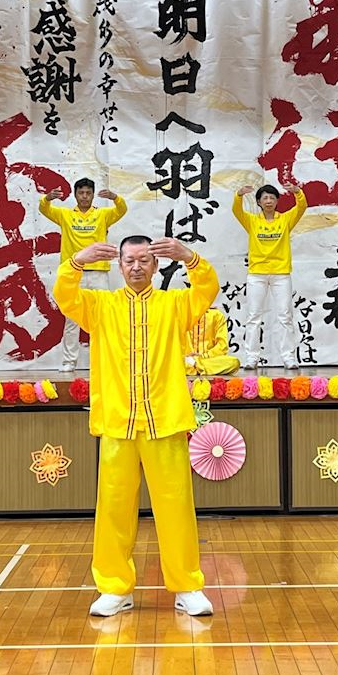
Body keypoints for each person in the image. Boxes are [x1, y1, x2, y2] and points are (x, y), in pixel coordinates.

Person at [54, 235, 218, 618]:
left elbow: (207, 288)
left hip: (165, 421)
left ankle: (187, 586)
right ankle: (114, 588)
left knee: (176, 507)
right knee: (113, 509)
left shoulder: (174, 304)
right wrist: (77, 261)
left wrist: (189, 257)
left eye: (144, 260)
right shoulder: (100, 305)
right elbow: (64, 294)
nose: (136, 267)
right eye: (129, 260)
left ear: (156, 265)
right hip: (118, 423)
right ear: (119, 266)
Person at [38, 178, 127, 373]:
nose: (85, 196)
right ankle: (69, 361)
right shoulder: (65, 215)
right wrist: (47, 198)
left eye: (88, 193)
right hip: (74, 274)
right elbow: (44, 209)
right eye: (81, 193)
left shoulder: (102, 214)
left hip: (98, 272)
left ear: (93, 195)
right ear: (75, 194)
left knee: (102, 317)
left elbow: (122, 210)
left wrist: (115, 197)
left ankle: (103, 359)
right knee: (72, 320)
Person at [231, 179, 306, 370]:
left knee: (285, 316)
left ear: (277, 201)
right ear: (258, 202)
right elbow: (236, 211)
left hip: (281, 274)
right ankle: (251, 358)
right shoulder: (252, 221)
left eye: (272, 198)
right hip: (257, 274)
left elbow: (301, 207)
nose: (269, 201)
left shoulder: (285, 220)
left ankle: (288, 357)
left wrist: (297, 192)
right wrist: (239, 195)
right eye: (265, 198)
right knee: (254, 316)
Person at [185, 306, 241, 376]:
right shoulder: (182, 314)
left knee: (234, 362)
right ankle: (196, 366)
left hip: (208, 360)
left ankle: (193, 365)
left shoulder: (217, 315)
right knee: (174, 361)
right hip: (185, 358)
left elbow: (222, 346)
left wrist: (203, 356)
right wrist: (185, 356)